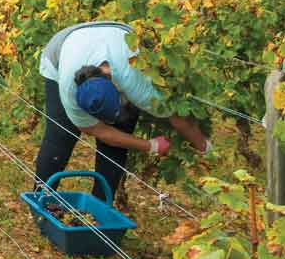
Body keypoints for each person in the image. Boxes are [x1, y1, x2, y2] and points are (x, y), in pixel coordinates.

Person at [34, 20, 212, 201]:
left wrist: (203, 147)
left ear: (118, 89)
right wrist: (150, 146)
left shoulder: (135, 83)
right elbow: (96, 130)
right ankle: (41, 201)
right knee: (60, 136)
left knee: (117, 142)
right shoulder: (68, 89)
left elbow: (175, 114)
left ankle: (101, 209)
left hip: (116, 35)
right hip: (62, 46)